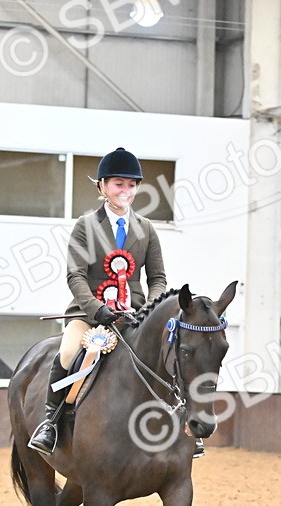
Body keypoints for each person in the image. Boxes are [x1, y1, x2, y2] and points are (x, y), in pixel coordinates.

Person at [28, 147, 168, 455]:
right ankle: (49, 423)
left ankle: (185, 428)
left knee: (172, 356)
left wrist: (148, 309)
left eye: (132, 185)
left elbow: (157, 278)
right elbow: (75, 275)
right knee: (66, 354)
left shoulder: (146, 230)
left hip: (135, 318)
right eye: (119, 183)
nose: (126, 190)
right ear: (102, 186)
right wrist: (97, 308)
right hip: (90, 317)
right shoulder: (86, 226)